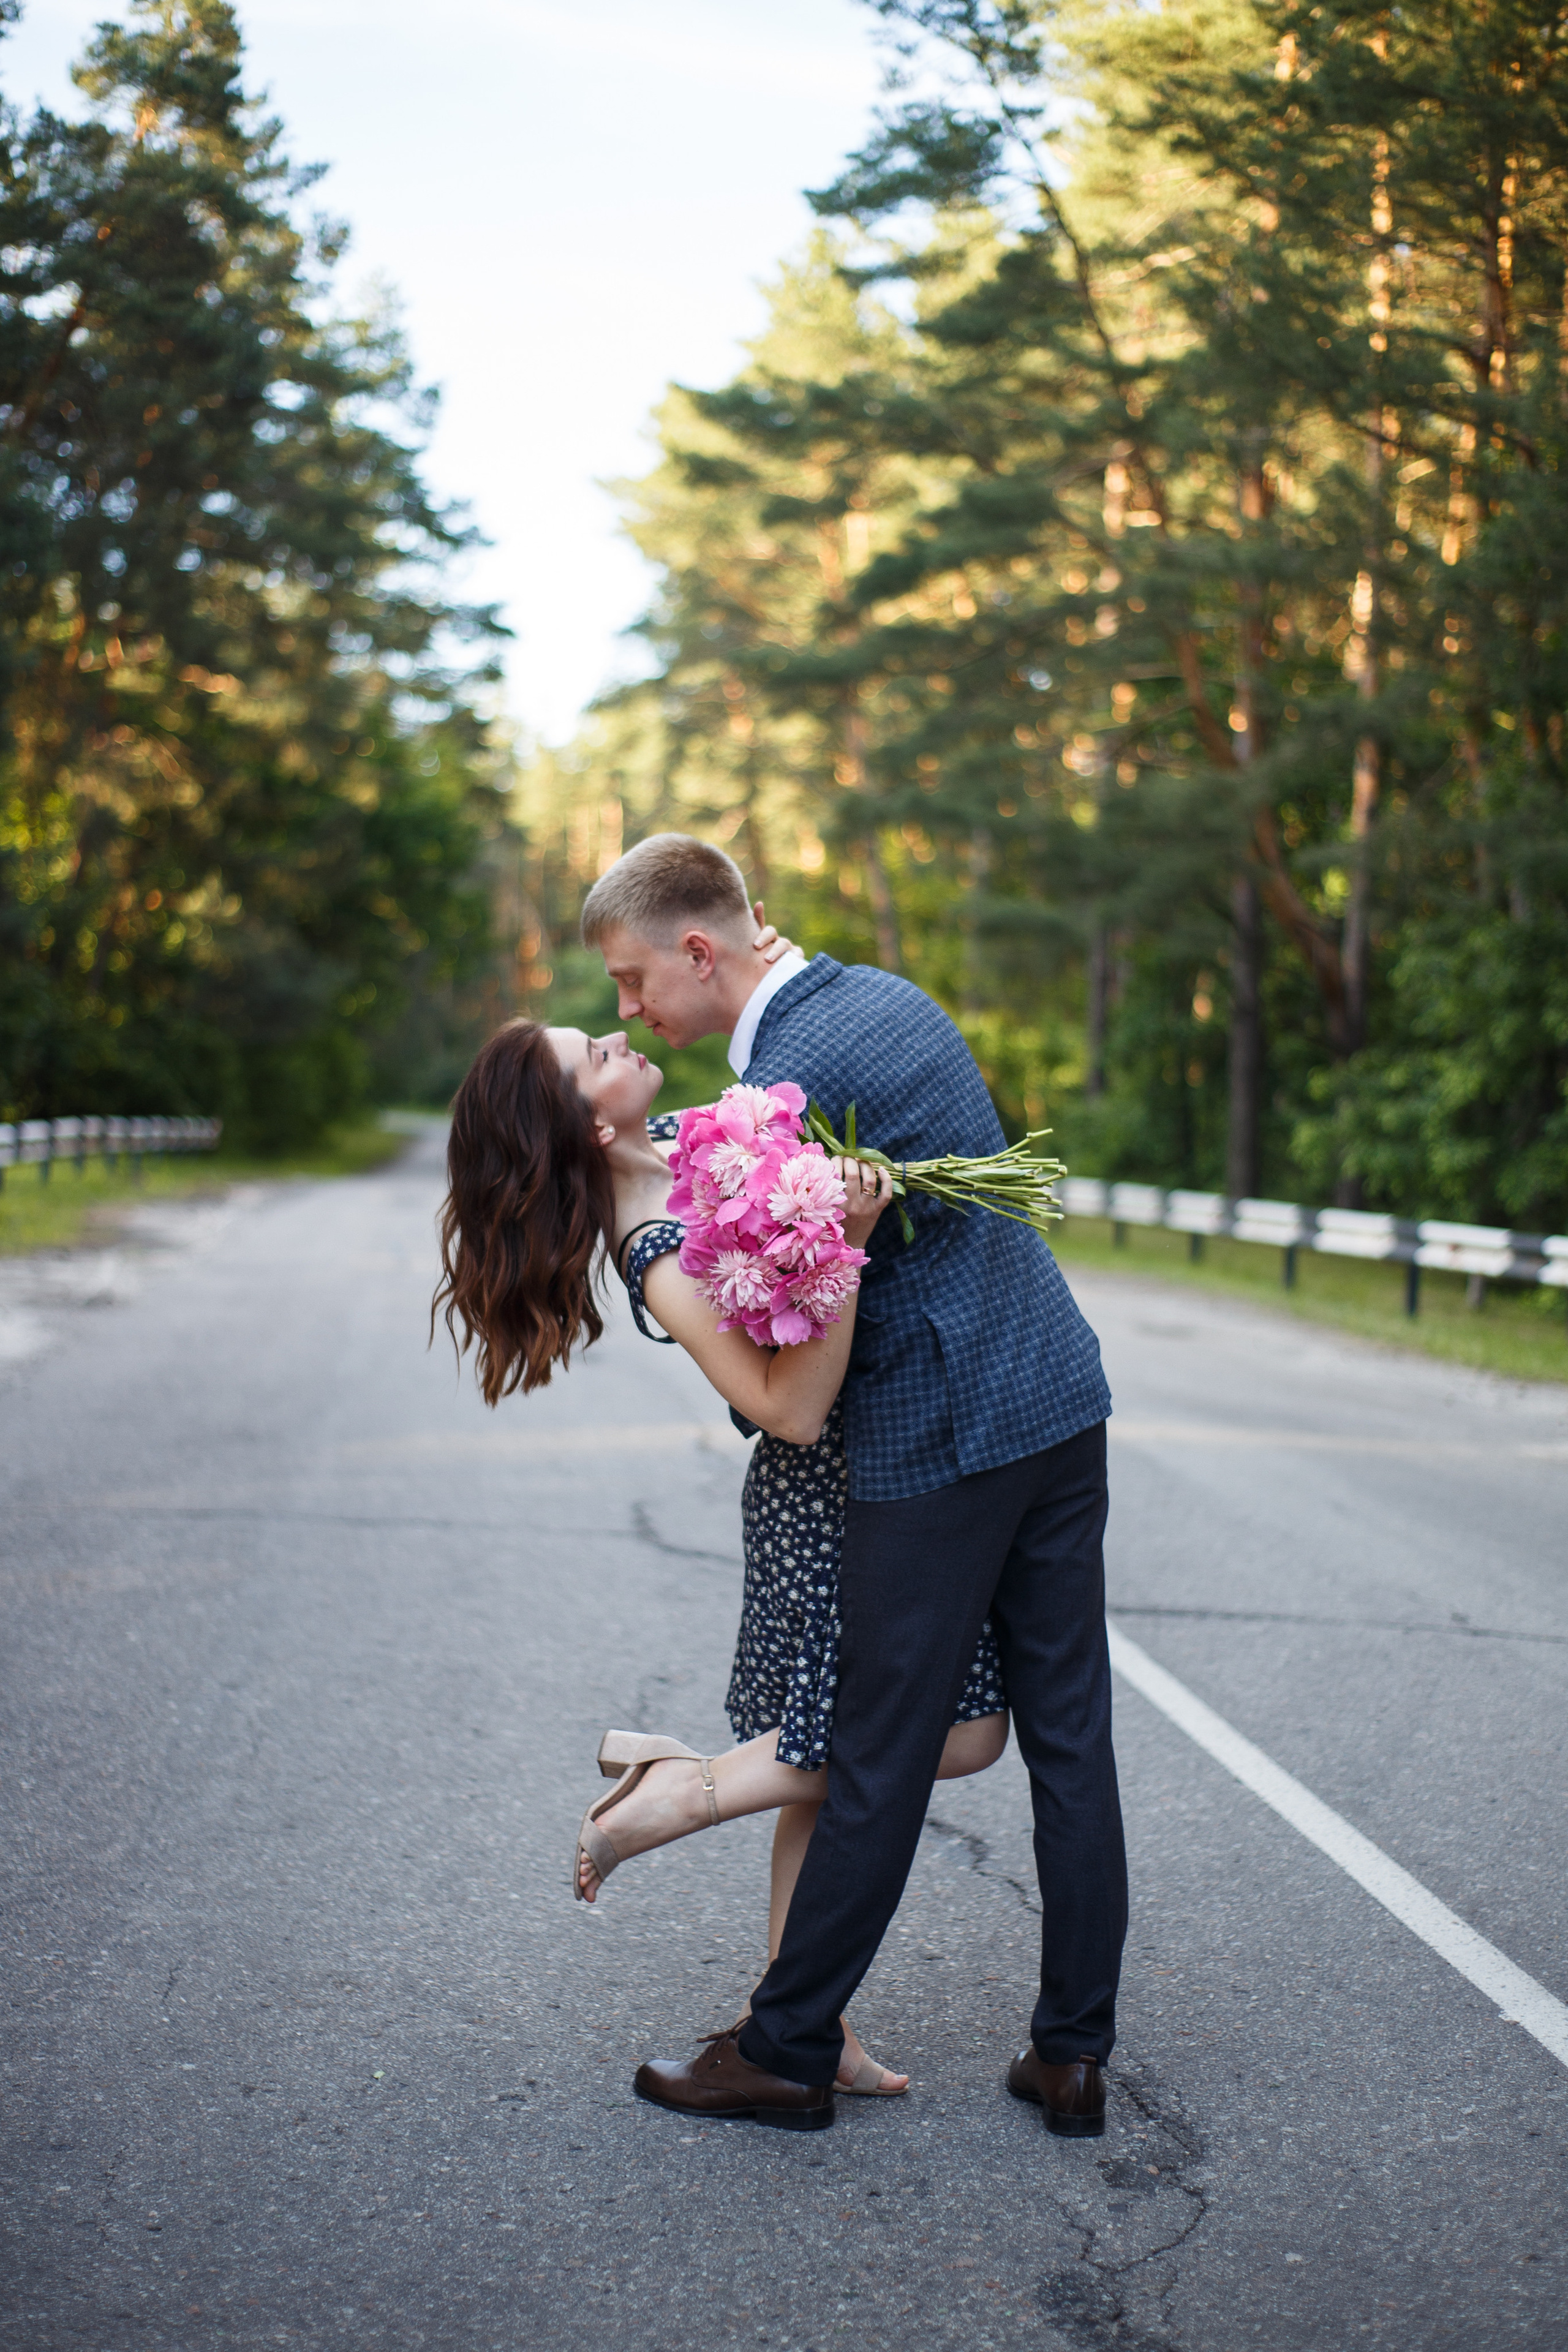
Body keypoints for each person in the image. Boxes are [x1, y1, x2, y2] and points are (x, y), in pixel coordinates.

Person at [576, 832, 1125, 2138]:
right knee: (1069, 1736)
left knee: (874, 1751)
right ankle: (1070, 2054)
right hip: (1054, 1397)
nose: (629, 1008)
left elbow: (783, 1354)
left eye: (630, 978)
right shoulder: (883, 996)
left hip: (935, 1442)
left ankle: (782, 2047)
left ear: (698, 950)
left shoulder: (789, 1083)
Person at [434, 1009, 1011, 2100]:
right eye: (589, 1058)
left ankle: (798, 2014)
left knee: (828, 1766)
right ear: (590, 1135)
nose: (613, 1036)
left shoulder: (692, 1150)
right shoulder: (656, 1250)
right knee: (963, 1732)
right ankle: (681, 1789)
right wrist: (836, 1244)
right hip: (829, 1500)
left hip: (856, 1480)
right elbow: (787, 1410)